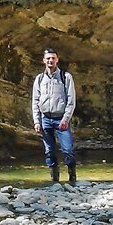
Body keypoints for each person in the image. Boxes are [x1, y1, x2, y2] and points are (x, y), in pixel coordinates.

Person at [31, 47, 77, 183]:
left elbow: (71, 100)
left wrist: (66, 119)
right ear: (43, 60)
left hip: (61, 118)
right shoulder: (39, 79)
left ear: (57, 60)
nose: (50, 60)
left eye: (53, 58)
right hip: (45, 119)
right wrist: (37, 121)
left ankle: (72, 178)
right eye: (48, 58)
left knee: (67, 150)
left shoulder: (65, 77)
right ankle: (54, 180)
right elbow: (35, 101)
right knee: (49, 151)